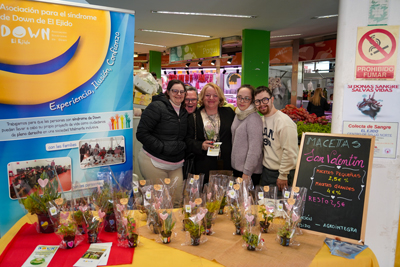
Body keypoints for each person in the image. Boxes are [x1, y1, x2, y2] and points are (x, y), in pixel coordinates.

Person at [136, 79, 187, 206]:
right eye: (175, 91)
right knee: (159, 203)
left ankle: (173, 226)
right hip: (154, 162)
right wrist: (162, 147)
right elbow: (142, 133)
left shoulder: (185, 111)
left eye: (182, 92)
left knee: (176, 201)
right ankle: (157, 226)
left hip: (176, 164)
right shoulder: (157, 107)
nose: (178, 94)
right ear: (168, 92)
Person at [186, 83, 235, 184]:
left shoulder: (229, 113)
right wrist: (201, 145)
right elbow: (187, 140)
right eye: (207, 95)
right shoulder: (194, 116)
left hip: (225, 162)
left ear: (220, 98)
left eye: (215, 95)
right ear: (202, 97)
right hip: (203, 164)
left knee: (225, 194)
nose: (211, 98)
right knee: (205, 195)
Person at [254, 86, 298, 192]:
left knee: (280, 205)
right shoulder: (261, 120)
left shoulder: (284, 122)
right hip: (266, 172)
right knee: (265, 205)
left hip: (281, 173)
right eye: (257, 101)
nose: (262, 104)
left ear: (272, 99)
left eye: (265, 99)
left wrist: (283, 175)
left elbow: (290, 152)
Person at [231, 85, 263, 186]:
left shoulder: (253, 118)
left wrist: (247, 172)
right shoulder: (238, 114)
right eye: (239, 97)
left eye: (246, 98)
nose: (242, 101)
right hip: (237, 168)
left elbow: (255, 149)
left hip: (249, 172)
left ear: (252, 100)